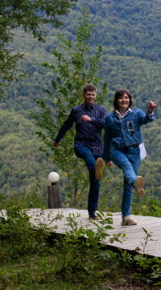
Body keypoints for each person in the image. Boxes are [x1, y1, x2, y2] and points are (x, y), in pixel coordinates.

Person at [54, 84, 108, 220]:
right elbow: (67, 124)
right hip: (81, 144)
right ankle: (96, 167)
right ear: (84, 95)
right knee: (90, 161)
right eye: (88, 94)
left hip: (97, 146)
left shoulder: (101, 110)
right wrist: (57, 140)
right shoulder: (76, 110)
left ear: (96, 96)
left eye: (93, 94)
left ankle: (92, 212)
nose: (90, 96)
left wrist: (92, 120)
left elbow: (105, 124)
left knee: (95, 181)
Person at [103, 89, 156, 226]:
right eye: (121, 98)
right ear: (116, 100)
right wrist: (106, 156)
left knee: (127, 185)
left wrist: (150, 111)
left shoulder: (136, 113)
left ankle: (125, 217)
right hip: (117, 150)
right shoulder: (110, 118)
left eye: (126, 98)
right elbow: (107, 138)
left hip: (134, 151)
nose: (124, 100)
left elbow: (146, 119)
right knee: (127, 168)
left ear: (129, 100)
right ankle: (135, 183)